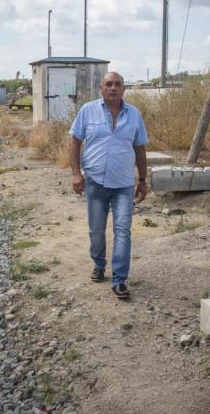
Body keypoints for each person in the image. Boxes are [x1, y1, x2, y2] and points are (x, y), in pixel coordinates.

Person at [68, 71, 149, 299]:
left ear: (124, 89)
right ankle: (99, 264)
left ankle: (119, 280)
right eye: (108, 84)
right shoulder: (87, 111)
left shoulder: (134, 115)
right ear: (102, 88)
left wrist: (142, 180)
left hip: (123, 185)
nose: (113, 88)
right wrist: (76, 173)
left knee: (123, 230)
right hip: (95, 182)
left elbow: (140, 148)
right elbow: (75, 142)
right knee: (96, 231)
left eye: (117, 85)